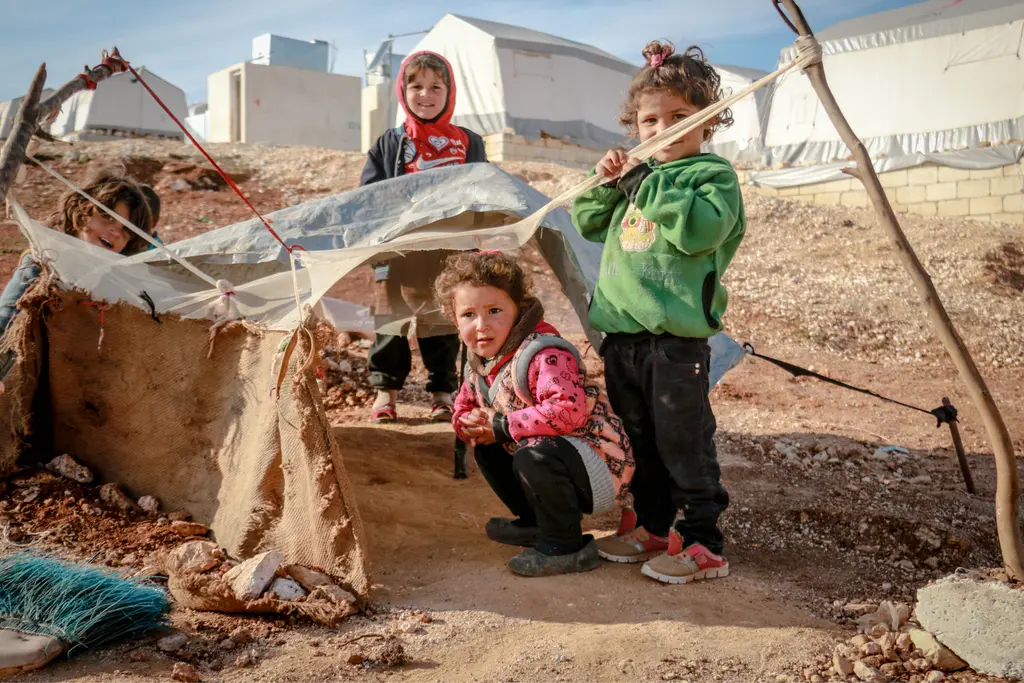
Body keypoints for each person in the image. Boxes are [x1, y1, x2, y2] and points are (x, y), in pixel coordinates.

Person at [570, 41, 745, 585]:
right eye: (650, 120)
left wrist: (643, 183)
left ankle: (702, 541)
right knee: (637, 438)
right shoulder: (634, 176)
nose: (662, 128)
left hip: (675, 344)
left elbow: (696, 232)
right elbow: (587, 222)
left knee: (682, 441)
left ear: (707, 122)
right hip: (623, 339)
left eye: (679, 117)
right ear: (634, 125)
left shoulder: (710, 178)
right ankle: (650, 525)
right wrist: (606, 182)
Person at [438, 251, 635, 577]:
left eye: (495, 311)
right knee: (488, 445)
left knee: (533, 454)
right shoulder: (480, 362)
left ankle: (566, 545)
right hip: (558, 457)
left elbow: (568, 411)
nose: (482, 325)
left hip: (600, 467)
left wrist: (500, 425)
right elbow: (464, 406)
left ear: (519, 310)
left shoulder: (542, 353)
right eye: (468, 314)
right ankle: (537, 524)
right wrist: (468, 424)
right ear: (454, 319)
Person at [360, 51, 488, 425]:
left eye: (436, 86)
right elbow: (368, 196)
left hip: (449, 253)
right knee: (390, 321)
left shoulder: (469, 142)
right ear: (403, 91)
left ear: (450, 92)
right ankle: (386, 391)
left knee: (443, 324)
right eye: (416, 86)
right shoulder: (389, 143)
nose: (426, 94)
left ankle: (443, 392)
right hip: (397, 251)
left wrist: (477, 245)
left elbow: (482, 194)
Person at [0, 169, 156, 337]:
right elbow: (5, 322)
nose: (115, 232)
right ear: (81, 214)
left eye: (126, 231)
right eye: (108, 217)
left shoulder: (118, 283)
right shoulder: (42, 264)